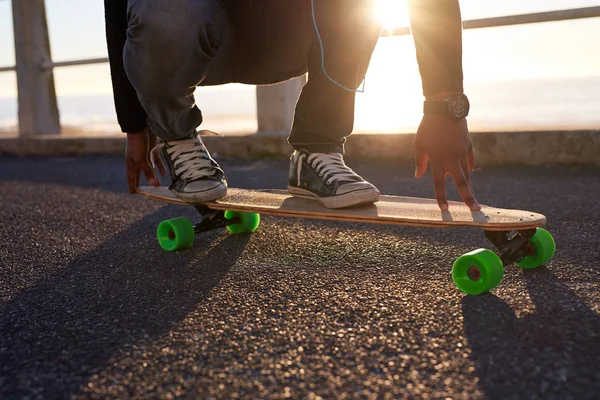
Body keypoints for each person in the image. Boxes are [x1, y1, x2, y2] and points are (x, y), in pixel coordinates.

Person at [104, 0, 480, 211]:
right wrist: (137, 122)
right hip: (187, 30)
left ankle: (317, 149)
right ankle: (180, 139)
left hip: (289, 33)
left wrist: (444, 102)